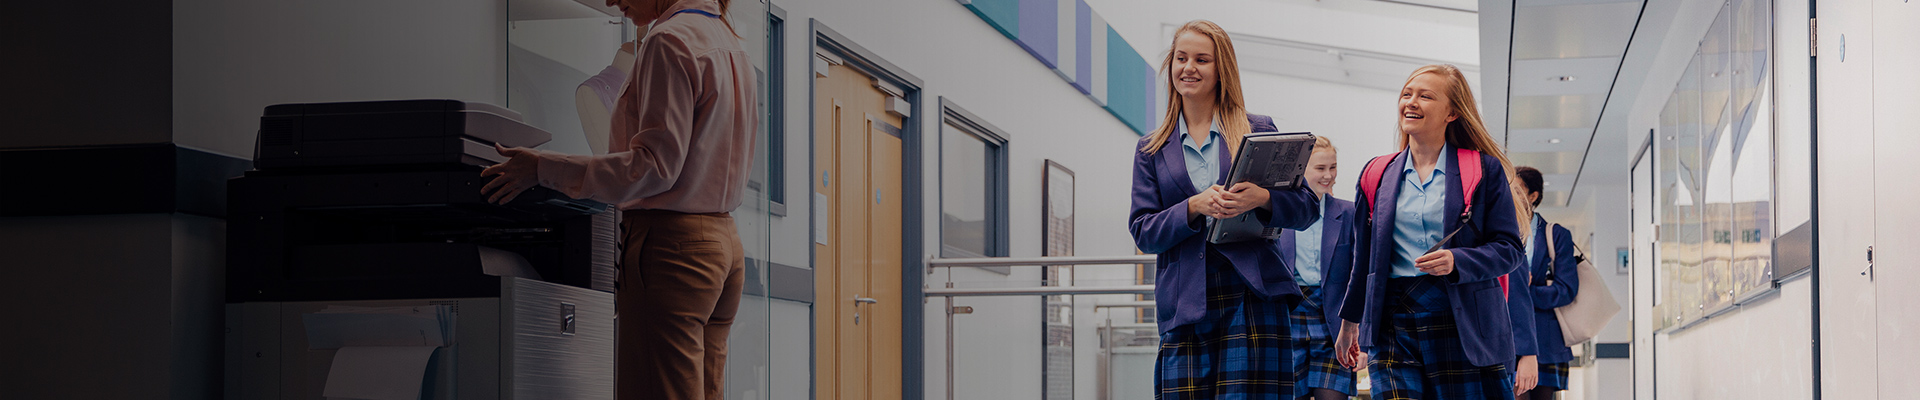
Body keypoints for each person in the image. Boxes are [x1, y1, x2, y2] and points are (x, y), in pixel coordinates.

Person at [480, 0, 755, 398]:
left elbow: (653, 167)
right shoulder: (731, 42)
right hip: (723, 245)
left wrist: (542, 168)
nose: (610, 1)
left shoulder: (670, 39)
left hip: (672, 249)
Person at [1129, 19, 1322, 400]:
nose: (1189, 68)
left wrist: (1263, 199)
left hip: (1253, 293)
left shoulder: (1258, 129)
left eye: (1202, 59)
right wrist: (1193, 206)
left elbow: (1306, 209)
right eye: (1181, 58)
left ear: (1222, 70)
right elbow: (1143, 230)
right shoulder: (1150, 148)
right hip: (1185, 301)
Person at [1332, 64, 1528, 400]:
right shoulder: (1376, 174)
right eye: (1407, 94)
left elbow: (1509, 249)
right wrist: (1349, 322)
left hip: (1461, 321)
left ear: (1452, 112)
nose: (1411, 102)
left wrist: (1457, 260)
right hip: (1392, 321)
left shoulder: (1483, 170)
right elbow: (1362, 258)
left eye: (1425, 96)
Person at [1275, 136, 1358, 400]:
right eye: (1320, 168)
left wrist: (1363, 338)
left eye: (1332, 167)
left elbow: (1360, 276)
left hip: (1334, 325)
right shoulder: (1278, 212)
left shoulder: (1349, 213)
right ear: (1301, 172)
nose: (1328, 175)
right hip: (1289, 320)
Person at [1511, 166, 1580, 400]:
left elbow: (1566, 290)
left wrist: (1526, 290)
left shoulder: (1556, 235)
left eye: (1518, 190)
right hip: (1509, 337)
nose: (1512, 195)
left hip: (1546, 343)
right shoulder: (1501, 233)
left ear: (1534, 196)